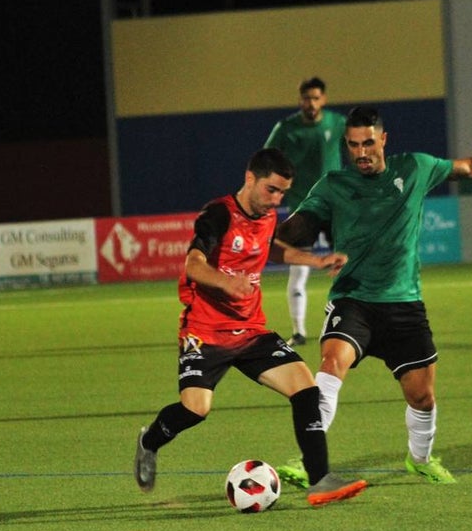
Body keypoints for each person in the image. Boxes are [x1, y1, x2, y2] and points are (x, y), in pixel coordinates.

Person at [275, 106, 472, 485]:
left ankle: (420, 458)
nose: (361, 153)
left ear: (384, 139)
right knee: (331, 366)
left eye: (368, 143)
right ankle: (309, 460)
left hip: (403, 305)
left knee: (422, 398)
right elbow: (291, 232)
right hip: (353, 300)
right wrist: (299, 244)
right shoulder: (333, 186)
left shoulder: (414, 168)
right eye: (352, 146)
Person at [134, 147, 368, 507]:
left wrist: (315, 261)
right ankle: (150, 441)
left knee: (306, 389)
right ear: (250, 179)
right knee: (196, 409)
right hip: (205, 332)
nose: (275, 200)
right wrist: (225, 282)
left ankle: (320, 478)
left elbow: (270, 250)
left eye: (282, 194)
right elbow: (193, 265)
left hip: (250, 330)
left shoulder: (268, 217)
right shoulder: (218, 215)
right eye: (270, 190)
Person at [263, 77, 347, 346]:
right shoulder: (286, 128)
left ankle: (354, 324)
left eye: (315, 98)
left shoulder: (337, 123)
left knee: (349, 265)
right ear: (300, 100)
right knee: (298, 271)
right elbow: (267, 158)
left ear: (323, 99)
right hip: (303, 208)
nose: (310, 103)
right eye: (306, 98)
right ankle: (299, 331)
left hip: (335, 205)